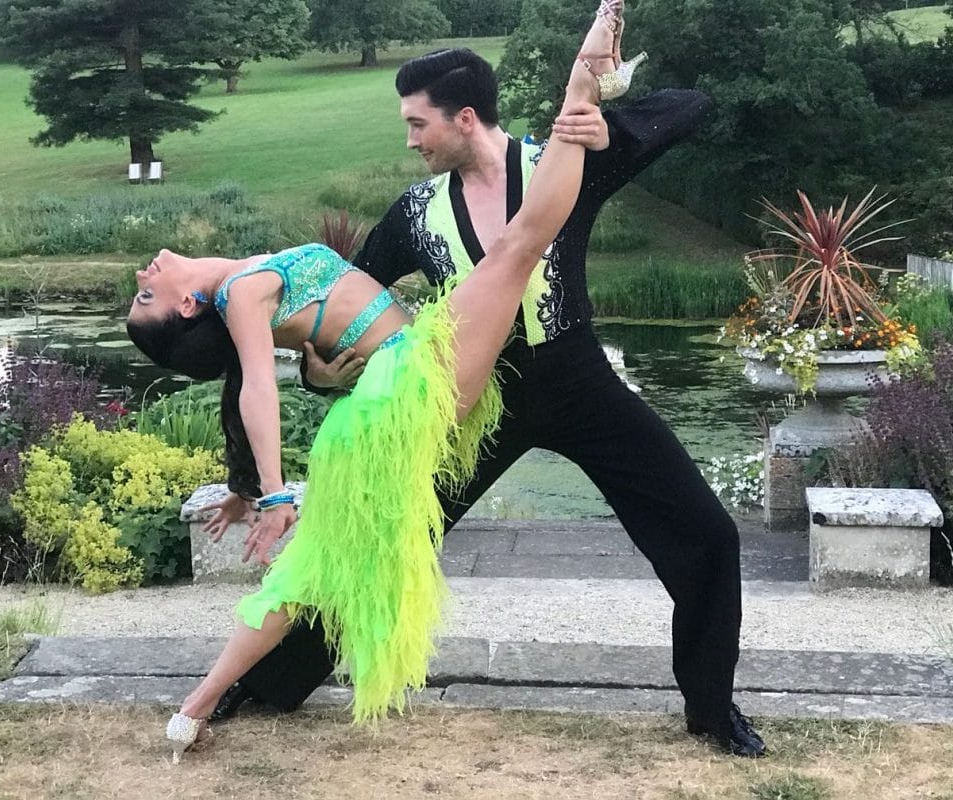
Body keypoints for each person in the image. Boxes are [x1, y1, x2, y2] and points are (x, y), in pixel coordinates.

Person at [213, 13, 767, 760]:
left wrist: (608, 127)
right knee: (374, 533)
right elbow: (343, 302)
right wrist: (316, 373)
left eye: (418, 124)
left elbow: (692, 106)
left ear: (464, 118)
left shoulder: (561, 158)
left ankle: (711, 708)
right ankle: (265, 683)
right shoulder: (415, 214)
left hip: (580, 383)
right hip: (473, 401)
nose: (410, 140)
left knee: (707, 534)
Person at [126, 1, 633, 763]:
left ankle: (194, 708)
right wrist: (272, 494)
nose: (146, 271)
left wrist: (246, 485)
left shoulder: (246, 281)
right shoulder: (239, 293)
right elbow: (256, 389)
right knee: (518, 246)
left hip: (382, 403)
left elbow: (248, 387)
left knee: (312, 570)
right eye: (146, 294)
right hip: (404, 382)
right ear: (188, 307)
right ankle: (583, 80)